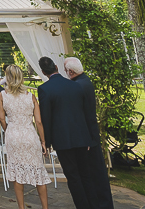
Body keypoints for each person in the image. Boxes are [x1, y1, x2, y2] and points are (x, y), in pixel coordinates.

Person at [37, 56, 105, 209]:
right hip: (82, 137)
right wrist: (88, 137)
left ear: (43, 71)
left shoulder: (44, 89)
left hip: (63, 140)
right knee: (85, 175)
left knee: (73, 177)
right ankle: (94, 205)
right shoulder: (76, 86)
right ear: (56, 66)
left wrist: (46, 142)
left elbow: (46, 118)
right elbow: (84, 112)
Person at [64, 57, 114, 207]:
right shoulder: (85, 82)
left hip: (87, 137)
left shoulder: (79, 86)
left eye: (66, 71)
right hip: (90, 134)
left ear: (71, 72)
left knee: (93, 174)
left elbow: (81, 115)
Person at [0, 65, 50, 209]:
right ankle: (45, 207)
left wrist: (8, 130)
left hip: (13, 135)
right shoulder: (30, 96)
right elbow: (38, 121)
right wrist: (43, 141)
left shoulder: (3, 95)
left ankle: (21, 207)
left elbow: (2, 119)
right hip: (30, 135)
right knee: (38, 172)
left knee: (17, 174)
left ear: (7, 78)